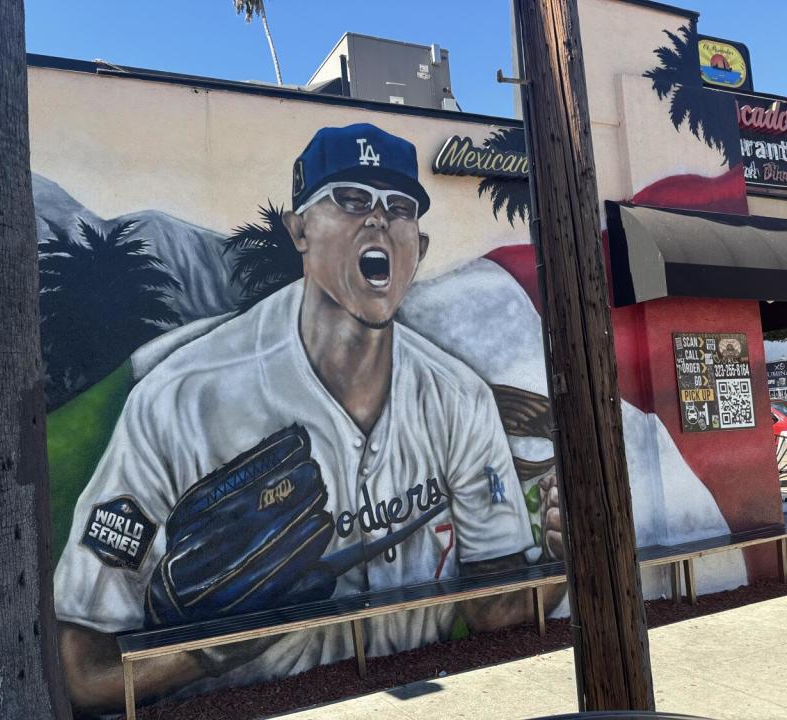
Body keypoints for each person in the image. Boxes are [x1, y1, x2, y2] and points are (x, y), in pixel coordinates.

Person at [54, 123, 559, 713]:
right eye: (349, 199)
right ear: (300, 231)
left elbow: (493, 611)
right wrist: (207, 648)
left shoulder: (459, 398)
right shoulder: (181, 400)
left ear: (417, 250)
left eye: (398, 207)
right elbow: (82, 671)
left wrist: (557, 564)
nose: (376, 219)